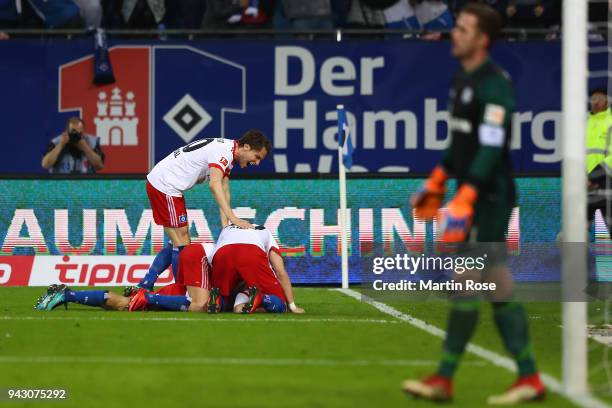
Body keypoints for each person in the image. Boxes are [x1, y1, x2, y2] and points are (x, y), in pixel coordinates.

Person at [402, 3, 544, 404]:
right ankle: (528, 378)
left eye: (463, 29)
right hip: (475, 195)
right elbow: (462, 145)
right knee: (493, 285)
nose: (455, 34)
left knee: (468, 284)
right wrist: (437, 182)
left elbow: (492, 147)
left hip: (491, 198)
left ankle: (446, 379)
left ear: (482, 40)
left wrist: (466, 195)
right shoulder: (461, 80)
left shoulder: (495, 85)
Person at [137, 130, 271, 292]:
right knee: (182, 243)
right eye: (256, 157)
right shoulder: (224, 152)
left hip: (165, 184)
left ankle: (147, 283)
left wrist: (226, 225)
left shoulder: (229, 151)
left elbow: (224, 189)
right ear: (247, 147)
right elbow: (214, 185)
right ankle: (182, 290)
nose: (256, 163)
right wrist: (233, 218)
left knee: (178, 240)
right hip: (166, 186)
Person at [34, 242, 216, 313]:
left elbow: (171, 249)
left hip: (188, 286)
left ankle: (66, 295)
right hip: (187, 292)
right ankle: (66, 295)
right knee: (127, 304)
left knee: (178, 244)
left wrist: (147, 283)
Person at [209, 224, 304, 314]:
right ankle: (261, 298)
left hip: (223, 253)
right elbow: (280, 271)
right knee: (281, 304)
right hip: (251, 251)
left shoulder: (226, 229)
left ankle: (217, 300)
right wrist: (292, 306)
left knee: (225, 297)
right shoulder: (265, 231)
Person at [586, 88, 612, 236]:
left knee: (607, 233)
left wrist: (594, 177)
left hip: (607, 184)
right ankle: (576, 259)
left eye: (600, 98)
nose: (596, 102)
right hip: (584, 186)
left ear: (607, 101)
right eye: (593, 98)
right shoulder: (583, 122)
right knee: (572, 234)